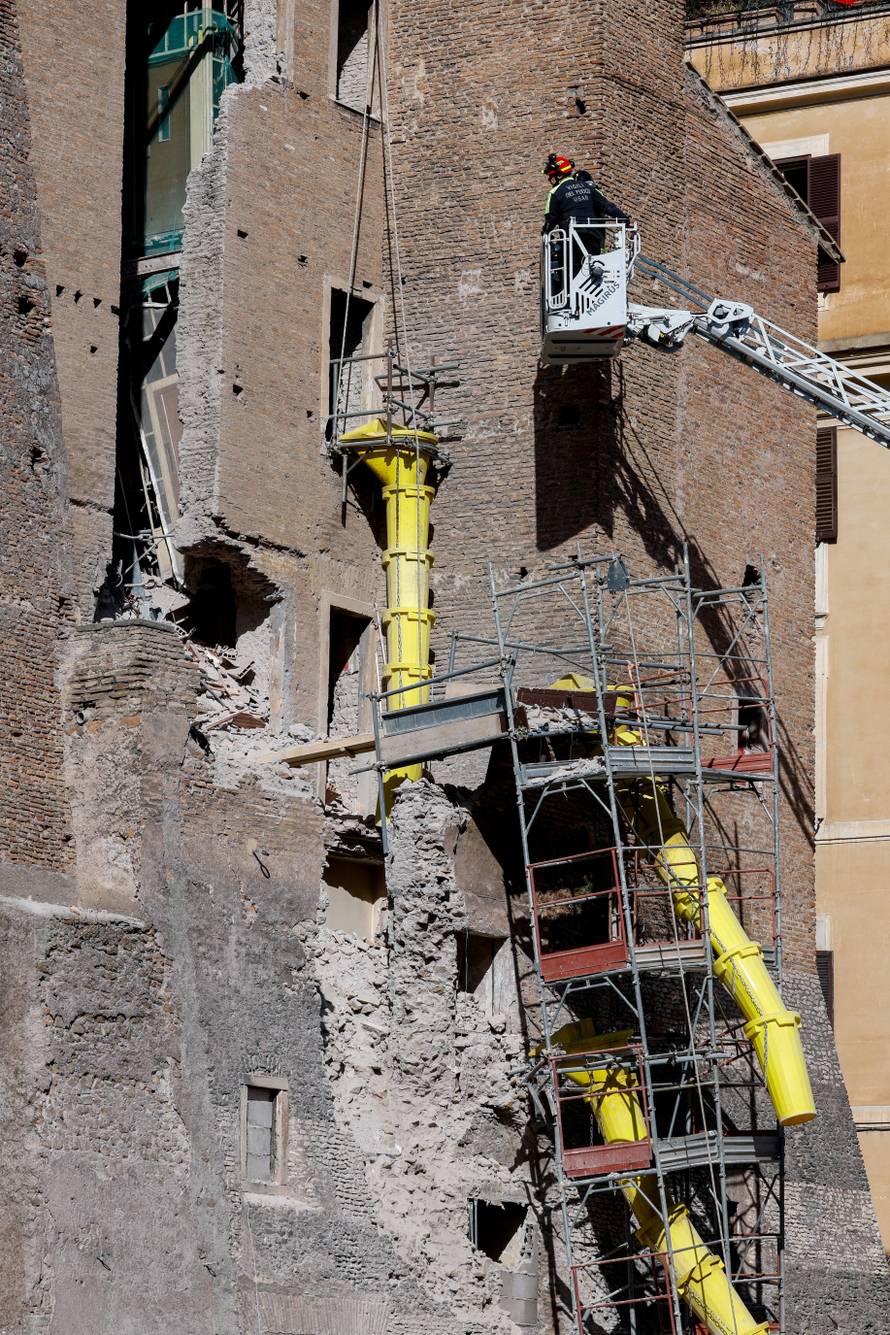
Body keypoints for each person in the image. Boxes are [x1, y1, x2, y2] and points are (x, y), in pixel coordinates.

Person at [541, 153, 629, 237]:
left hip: (571, 239)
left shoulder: (555, 192)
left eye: (551, 176)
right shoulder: (589, 188)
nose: (549, 179)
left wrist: (546, 232)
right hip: (594, 236)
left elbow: (551, 218)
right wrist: (625, 219)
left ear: (559, 175)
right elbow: (608, 207)